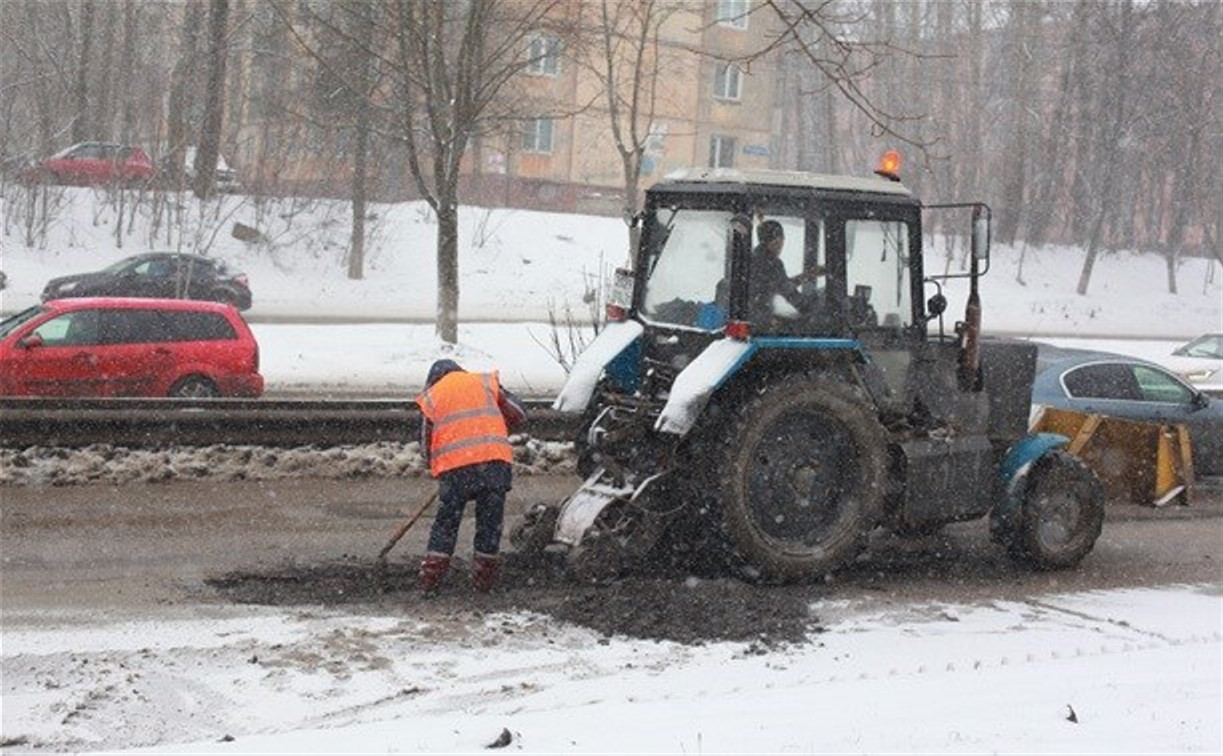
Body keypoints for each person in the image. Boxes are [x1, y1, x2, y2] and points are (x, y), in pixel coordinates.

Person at [416, 359, 526, 594]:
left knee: (446, 524)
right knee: (490, 523)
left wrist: (439, 469)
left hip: (456, 470)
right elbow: (518, 413)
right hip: (494, 465)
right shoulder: (484, 382)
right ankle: (484, 582)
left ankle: (431, 582)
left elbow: (426, 445)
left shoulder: (433, 395)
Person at [748, 219, 826, 327]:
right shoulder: (771, 263)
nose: (781, 244)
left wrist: (809, 275)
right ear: (776, 240)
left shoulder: (755, 259)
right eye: (779, 240)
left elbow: (781, 284)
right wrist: (810, 310)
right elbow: (788, 291)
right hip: (760, 319)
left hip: (755, 316)